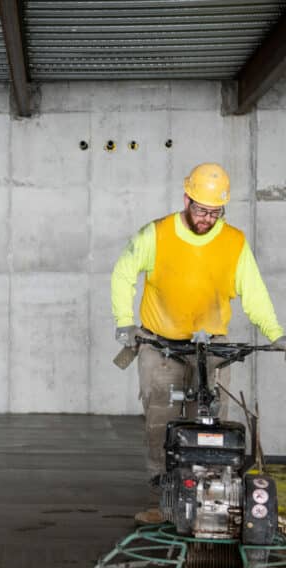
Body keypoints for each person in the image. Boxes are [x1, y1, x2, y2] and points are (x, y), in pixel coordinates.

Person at [110, 162, 286, 524]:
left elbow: (254, 292)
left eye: (215, 211)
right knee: (163, 419)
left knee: (210, 422)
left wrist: (275, 333)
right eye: (201, 209)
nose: (207, 218)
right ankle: (165, 503)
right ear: (186, 198)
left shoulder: (234, 241)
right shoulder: (156, 233)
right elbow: (124, 272)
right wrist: (124, 322)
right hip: (161, 345)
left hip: (211, 346)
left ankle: (209, 501)